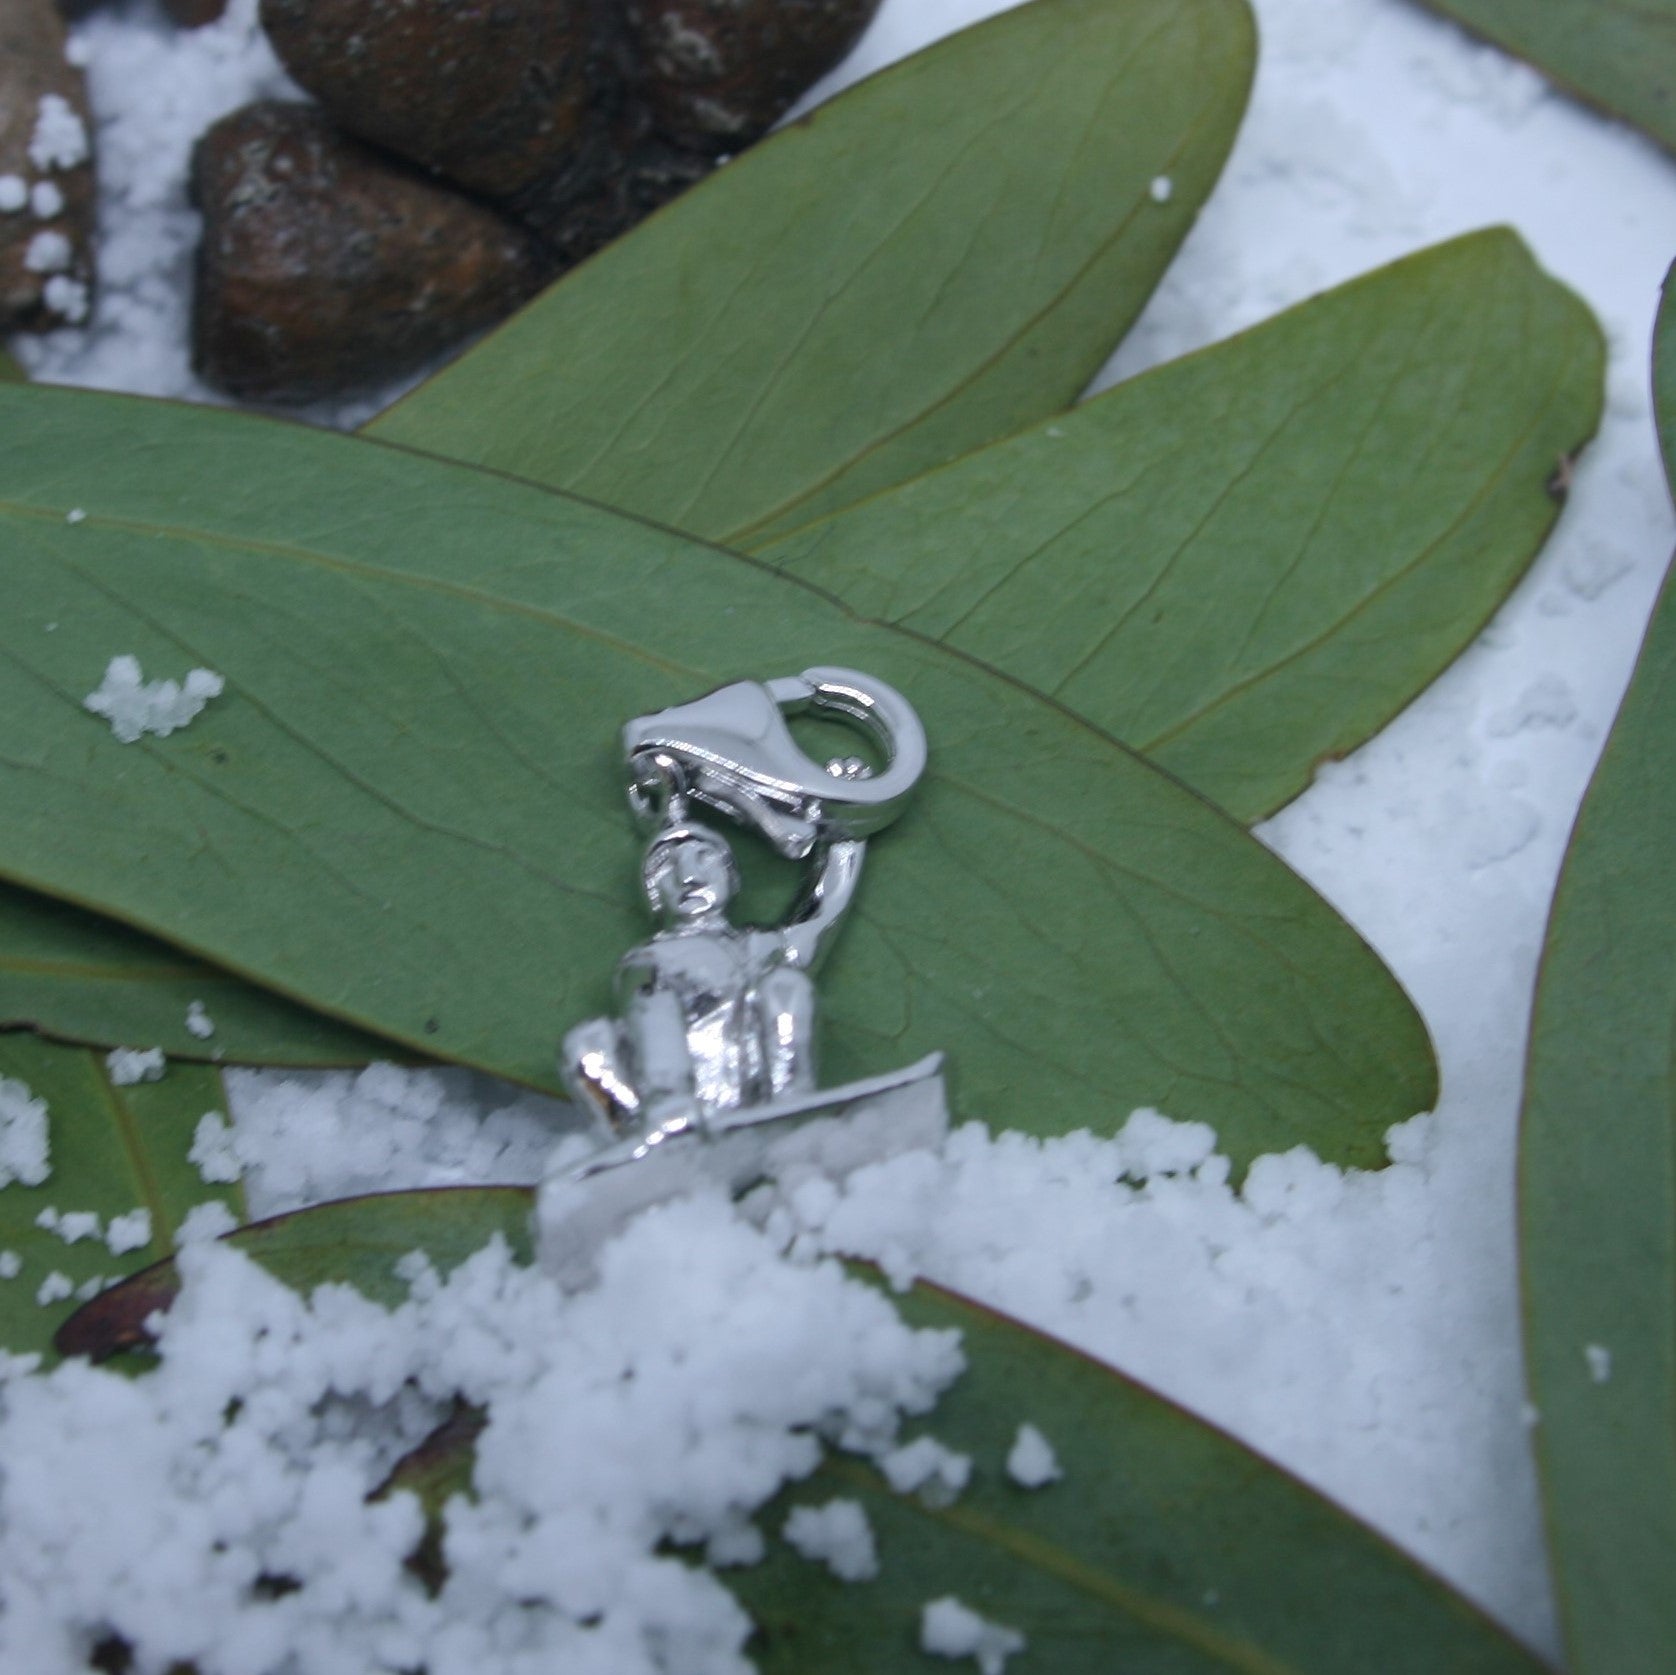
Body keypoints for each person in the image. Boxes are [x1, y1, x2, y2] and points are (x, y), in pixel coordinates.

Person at [561, 817, 863, 1139]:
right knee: (587, 1041)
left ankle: (791, 1101)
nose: (688, 876)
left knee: (786, 985)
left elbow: (822, 914)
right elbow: (651, 1014)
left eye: (704, 858)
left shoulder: (759, 946)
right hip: (677, 1110)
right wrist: (668, 1096)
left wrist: (849, 832)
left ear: (731, 878)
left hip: (758, 1091)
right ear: (654, 896)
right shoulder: (650, 959)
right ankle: (652, 1134)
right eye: (665, 869)